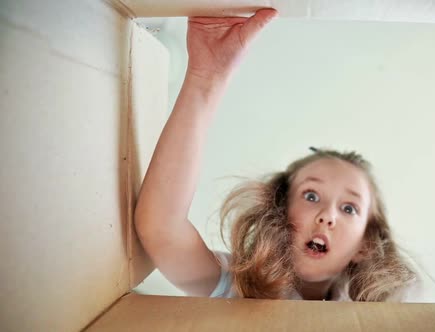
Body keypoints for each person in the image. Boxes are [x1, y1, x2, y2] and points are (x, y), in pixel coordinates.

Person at [134, 8, 416, 302]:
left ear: (366, 245)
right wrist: (206, 77)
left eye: (349, 209)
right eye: (310, 195)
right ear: (279, 213)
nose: (327, 216)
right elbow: (161, 228)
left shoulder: (373, 317)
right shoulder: (240, 286)